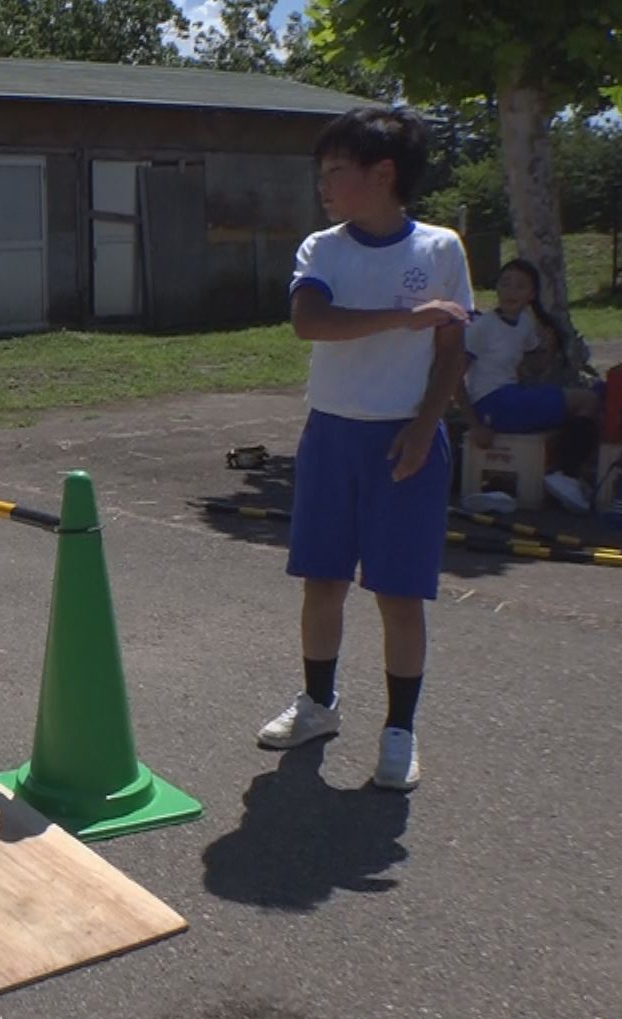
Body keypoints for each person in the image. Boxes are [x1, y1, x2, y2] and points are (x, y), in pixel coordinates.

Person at [256, 106, 475, 792]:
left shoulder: (439, 250)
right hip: (331, 434)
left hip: (404, 438)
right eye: (321, 174)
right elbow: (310, 323)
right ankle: (318, 704)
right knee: (322, 582)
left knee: (397, 594)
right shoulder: (324, 249)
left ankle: (399, 732)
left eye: (335, 173)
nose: (323, 186)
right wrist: (406, 317)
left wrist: (423, 425)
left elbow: (451, 353)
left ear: (383, 174)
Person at [453, 259, 601, 512]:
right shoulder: (482, 328)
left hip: (514, 395)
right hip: (492, 404)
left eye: (520, 287)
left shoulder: (524, 323)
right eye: (505, 284)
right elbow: (454, 378)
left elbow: (534, 362)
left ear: (532, 294)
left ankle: (556, 474)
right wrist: (475, 425)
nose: (511, 292)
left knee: (598, 393)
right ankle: (566, 474)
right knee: (588, 401)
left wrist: (551, 347)